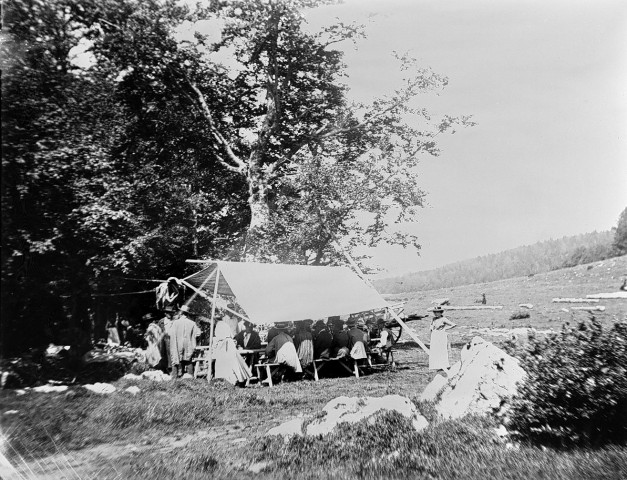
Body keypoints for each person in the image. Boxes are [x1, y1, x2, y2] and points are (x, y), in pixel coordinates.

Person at [213, 316, 252, 385]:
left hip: (225, 345)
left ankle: (229, 380)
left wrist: (215, 346)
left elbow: (220, 337)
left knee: (225, 363)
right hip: (229, 344)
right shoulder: (224, 324)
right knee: (233, 362)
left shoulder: (219, 325)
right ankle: (236, 379)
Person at [169, 305, 201, 379]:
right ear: (187, 314)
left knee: (176, 358)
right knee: (188, 359)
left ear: (181, 313)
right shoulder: (192, 323)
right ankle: (190, 376)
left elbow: (170, 333)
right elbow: (198, 333)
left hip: (178, 343)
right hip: (188, 343)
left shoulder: (175, 323)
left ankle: (175, 377)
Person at [429, 306, 456, 372]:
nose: (436, 313)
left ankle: (444, 365)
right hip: (434, 334)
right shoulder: (434, 319)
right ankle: (435, 365)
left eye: (437, 312)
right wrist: (431, 328)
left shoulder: (443, 319)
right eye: (434, 312)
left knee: (442, 349)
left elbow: (453, 324)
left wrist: (445, 328)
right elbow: (432, 325)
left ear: (441, 312)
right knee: (434, 349)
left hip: (441, 335)